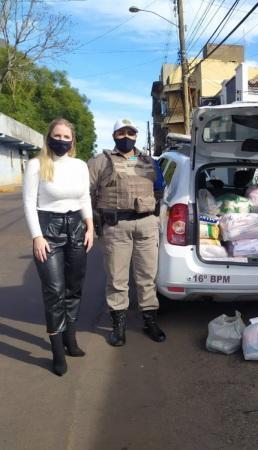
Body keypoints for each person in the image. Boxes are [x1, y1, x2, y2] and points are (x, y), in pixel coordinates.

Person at [23, 118, 94, 376]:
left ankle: (70, 340)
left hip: (76, 227)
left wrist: (90, 226)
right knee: (55, 290)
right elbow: (30, 203)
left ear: (72, 141)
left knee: (74, 287)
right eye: (57, 136)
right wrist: (37, 236)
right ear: (48, 137)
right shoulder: (36, 165)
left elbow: (85, 197)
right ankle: (57, 352)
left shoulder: (80, 165)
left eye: (67, 137)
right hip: (48, 230)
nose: (62, 141)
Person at [88, 119, 166, 347]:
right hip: (116, 227)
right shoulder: (100, 162)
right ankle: (118, 326)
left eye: (131, 133)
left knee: (147, 278)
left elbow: (159, 189)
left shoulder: (149, 161)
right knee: (117, 279)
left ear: (136, 136)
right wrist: (94, 221)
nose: (127, 136)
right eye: (121, 132)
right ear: (114, 135)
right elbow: (86, 192)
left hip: (146, 225)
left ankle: (149, 320)